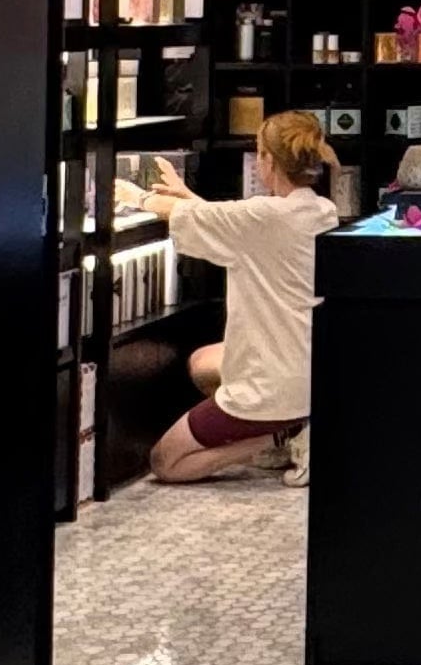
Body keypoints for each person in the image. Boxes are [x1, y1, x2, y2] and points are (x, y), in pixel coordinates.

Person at [125, 110, 340, 485]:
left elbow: (231, 222)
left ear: (268, 161)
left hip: (273, 382)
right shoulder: (323, 211)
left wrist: (136, 196)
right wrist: (186, 196)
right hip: (309, 367)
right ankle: (288, 432)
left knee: (166, 462)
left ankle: (278, 434)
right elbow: (231, 224)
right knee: (201, 363)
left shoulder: (263, 216)